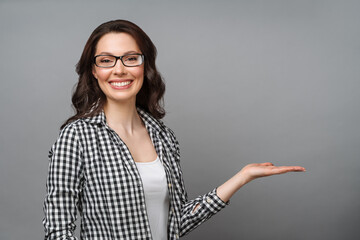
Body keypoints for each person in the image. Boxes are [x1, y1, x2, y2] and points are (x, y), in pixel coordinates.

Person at [42, 19, 305, 240]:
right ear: (94, 70)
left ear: (145, 67)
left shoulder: (164, 137)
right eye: (107, 60)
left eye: (130, 58)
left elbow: (176, 222)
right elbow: (57, 231)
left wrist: (242, 178)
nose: (119, 69)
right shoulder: (76, 137)